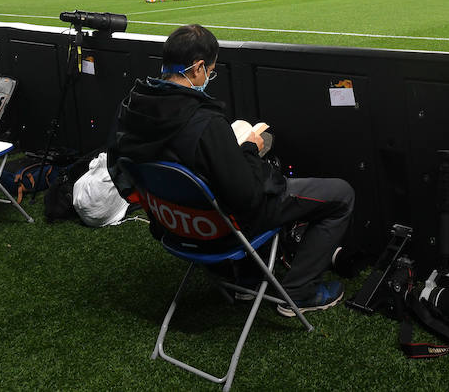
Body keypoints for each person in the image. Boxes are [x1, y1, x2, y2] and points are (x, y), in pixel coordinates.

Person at [110, 24, 353, 316]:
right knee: (341, 195)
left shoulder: (130, 106)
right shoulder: (204, 123)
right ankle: (300, 292)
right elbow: (248, 199)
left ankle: (248, 279)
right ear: (198, 68)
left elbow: (122, 170)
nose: (209, 77)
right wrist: (249, 149)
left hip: (173, 226)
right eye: (210, 71)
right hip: (219, 230)